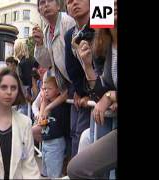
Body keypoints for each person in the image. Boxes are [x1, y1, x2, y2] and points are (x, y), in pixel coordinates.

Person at [67, 0, 118, 178]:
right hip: (111, 124)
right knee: (76, 167)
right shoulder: (105, 46)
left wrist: (111, 97)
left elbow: (106, 96)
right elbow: (100, 94)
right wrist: (87, 66)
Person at [63, 0, 92, 158]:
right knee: (77, 134)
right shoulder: (69, 35)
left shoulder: (103, 22)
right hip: (84, 93)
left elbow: (104, 62)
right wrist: (80, 91)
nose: (73, 3)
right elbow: (72, 69)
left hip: (105, 92)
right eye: (69, 1)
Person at [38, 76, 71, 178]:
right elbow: (41, 121)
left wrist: (46, 105)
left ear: (58, 90)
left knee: (54, 175)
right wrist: (44, 101)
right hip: (46, 141)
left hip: (56, 142)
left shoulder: (62, 104)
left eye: (49, 88)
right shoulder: (47, 103)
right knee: (47, 173)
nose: (46, 91)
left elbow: (66, 93)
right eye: (44, 89)